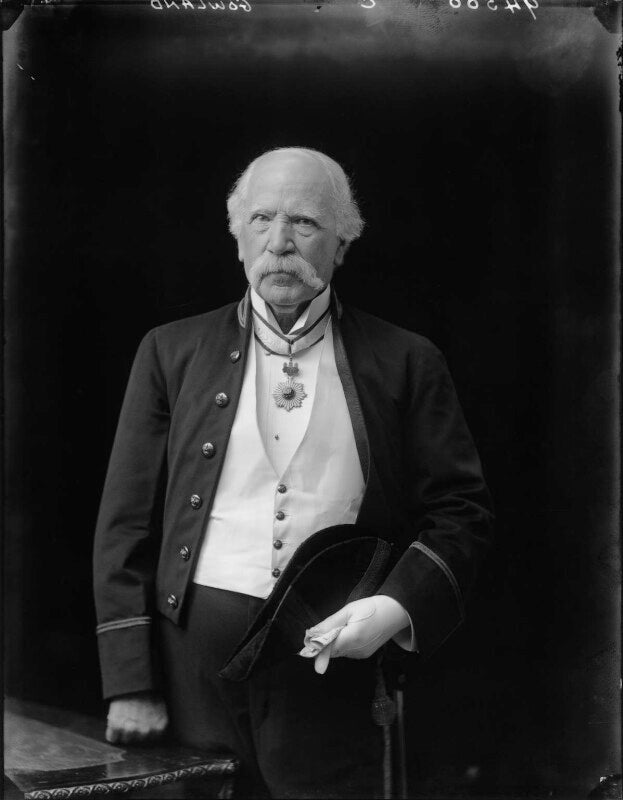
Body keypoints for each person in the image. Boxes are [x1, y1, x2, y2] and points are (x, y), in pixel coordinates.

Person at [93, 147, 493, 798]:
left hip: (332, 674)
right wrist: (130, 682)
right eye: (261, 219)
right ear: (236, 237)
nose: (279, 242)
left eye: (304, 222)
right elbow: (124, 528)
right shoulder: (169, 352)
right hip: (191, 672)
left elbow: (461, 513)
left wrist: (396, 608)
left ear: (343, 242)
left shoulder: (407, 361)